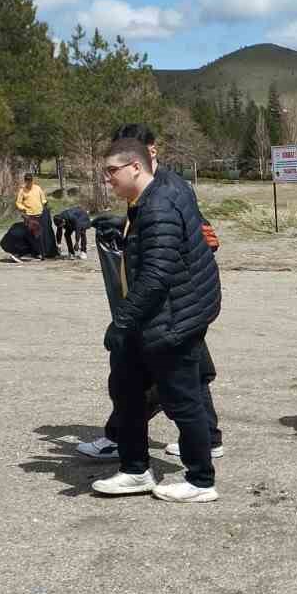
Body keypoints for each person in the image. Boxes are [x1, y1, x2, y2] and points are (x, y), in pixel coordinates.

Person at [79, 124, 226, 462]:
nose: (109, 177)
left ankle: (195, 464)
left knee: (166, 382)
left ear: (145, 156)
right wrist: (123, 227)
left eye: (114, 169)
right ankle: (195, 441)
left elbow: (178, 248)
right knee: (176, 375)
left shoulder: (167, 191)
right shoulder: (148, 192)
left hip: (174, 303)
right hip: (175, 302)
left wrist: (124, 320)